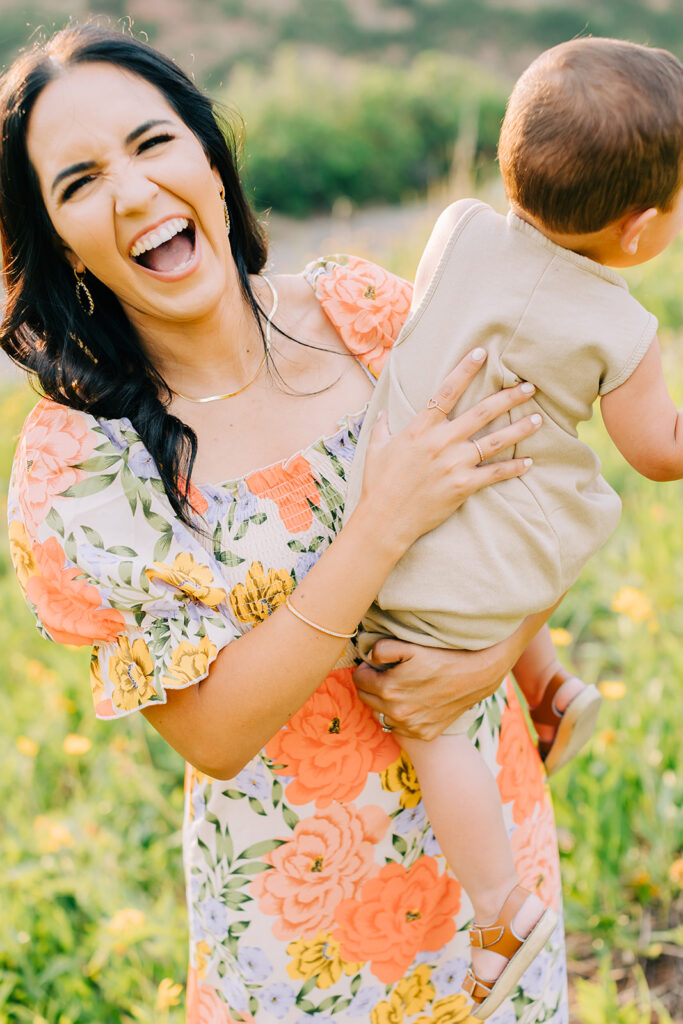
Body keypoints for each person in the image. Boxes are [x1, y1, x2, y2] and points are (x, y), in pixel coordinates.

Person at [1, 24, 570, 1024]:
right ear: (58, 244)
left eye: (152, 142)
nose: (133, 192)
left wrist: (508, 658)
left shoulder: (364, 315)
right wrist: (377, 525)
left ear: (211, 162)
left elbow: (515, 505)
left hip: (495, 873)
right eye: (79, 182)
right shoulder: (81, 470)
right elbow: (215, 734)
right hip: (304, 938)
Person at [344, 35, 683, 1018]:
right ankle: (501, 904)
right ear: (640, 228)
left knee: (478, 548)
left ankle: (549, 683)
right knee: (433, 720)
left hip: (401, 499)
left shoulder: (454, 225)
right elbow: (654, 450)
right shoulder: (618, 327)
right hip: (475, 543)